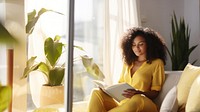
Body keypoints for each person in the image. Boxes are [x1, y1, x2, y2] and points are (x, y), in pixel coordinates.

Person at [87, 27, 167, 112]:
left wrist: (139, 92)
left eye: (141, 44)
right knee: (96, 92)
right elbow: (121, 84)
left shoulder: (157, 63)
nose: (136, 48)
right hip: (124, 104)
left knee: (137, 98)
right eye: (133, 44)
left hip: (144, 102)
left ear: (149, 44)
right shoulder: (128, 63)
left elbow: (155, 92)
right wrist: (108, 90)